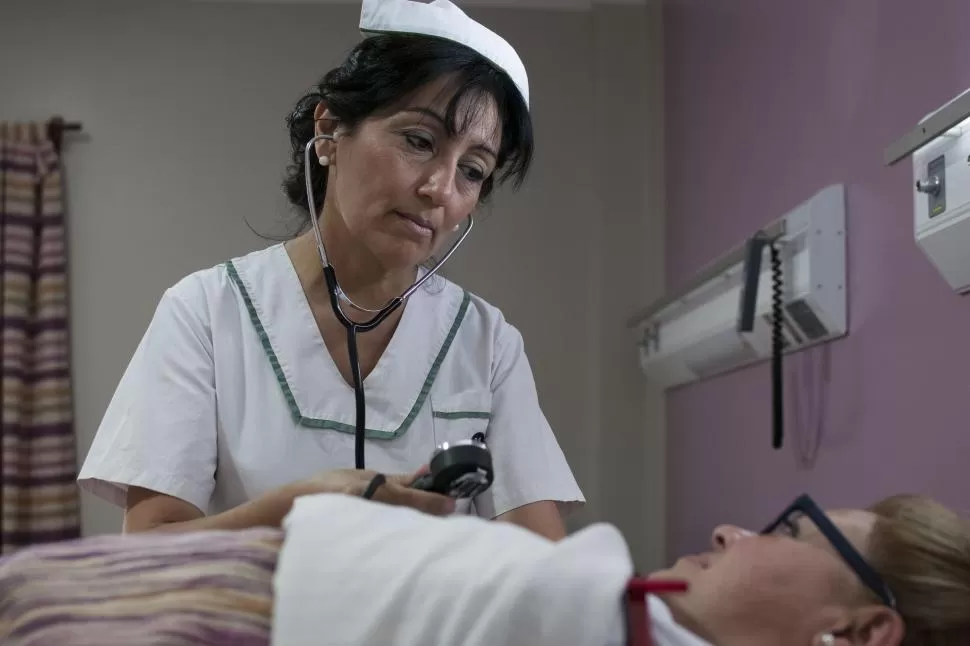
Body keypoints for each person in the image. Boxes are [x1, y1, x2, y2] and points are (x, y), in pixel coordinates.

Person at [76, 0, 583, 541]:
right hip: (252, 624)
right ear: (330, 128)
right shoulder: (206, 312)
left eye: (472, 171)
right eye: (418, 141)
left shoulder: (487, 344)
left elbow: (541, 561)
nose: (440, 188)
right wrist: (303, 505)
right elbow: (151, 546)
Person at [1, 492, 967, 645]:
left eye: (791, 532)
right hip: (241, 572)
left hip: (237, 618)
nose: (731, 530)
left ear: (862, 631)